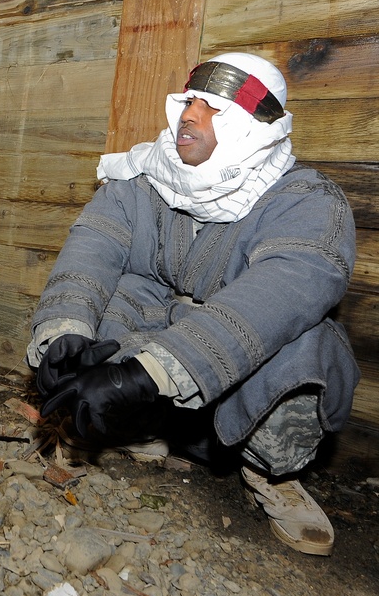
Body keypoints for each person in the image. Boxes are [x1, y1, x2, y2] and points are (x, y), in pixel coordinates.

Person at [27, 53, 359, 556]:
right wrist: (63, 331)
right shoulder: (139, 178)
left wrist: (149, 374)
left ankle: (270, 472)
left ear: (254, 127)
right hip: (157, 338)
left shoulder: (308, 201)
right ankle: (141, 428)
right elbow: (93, 248)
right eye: (188, 103)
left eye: (214, 110)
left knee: (308, 339)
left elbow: (283, 289)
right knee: (102, 299)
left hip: (229, 368)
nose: (189, 116)